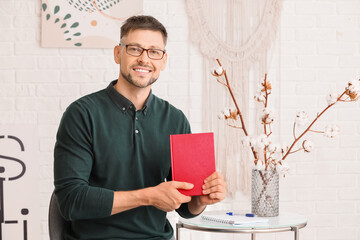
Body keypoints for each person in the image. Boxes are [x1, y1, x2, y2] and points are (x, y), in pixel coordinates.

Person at [54, 15, 227, 240]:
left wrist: (201, 200)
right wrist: (149, 196)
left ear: (163, 61)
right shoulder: (82, 114)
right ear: (118, 53)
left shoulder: (175, 119)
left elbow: (185, 207)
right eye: (135, 49)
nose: (144, 59)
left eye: (154, 51)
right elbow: (71, 201)